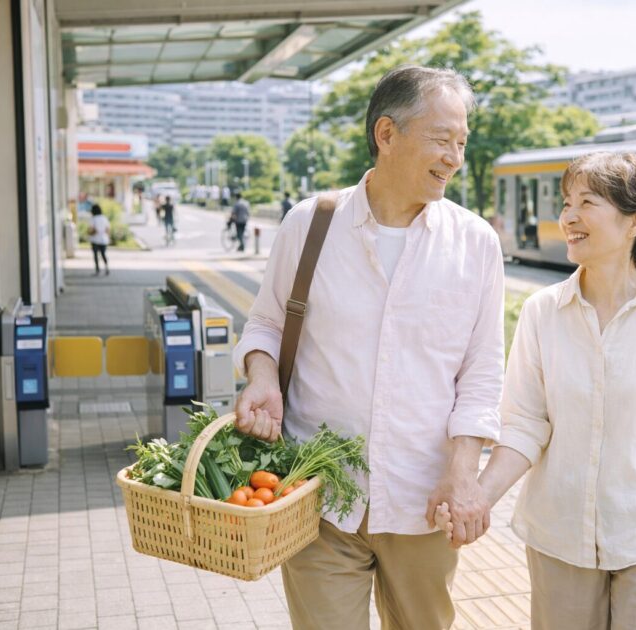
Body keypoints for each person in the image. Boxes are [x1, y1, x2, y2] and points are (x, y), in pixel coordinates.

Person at [231, 65, 504, 630]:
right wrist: (260, 377)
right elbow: (264, 325)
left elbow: (481, 374)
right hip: (319, 498)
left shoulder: (475, 243)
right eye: (440, 139)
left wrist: (465, 471)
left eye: (461, 142)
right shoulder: (309, 225)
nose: (454, 156)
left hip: (424, 502)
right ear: (386, 134)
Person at [436, 152, 636, 629]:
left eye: (587, 202)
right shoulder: (543, 312)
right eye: (566, 203)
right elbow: (523, 424)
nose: (568, 217)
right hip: (559, 536)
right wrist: (477, 498)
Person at [88, 203, 110, 276]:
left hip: (95, 240)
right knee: (103, 254)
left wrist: (90, 233)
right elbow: (107, 230)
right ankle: (107, 268)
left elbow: (91, 230)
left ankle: (97, 270)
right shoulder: (104, 218)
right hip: (104, 239)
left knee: (96, 255)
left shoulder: (93, 219)